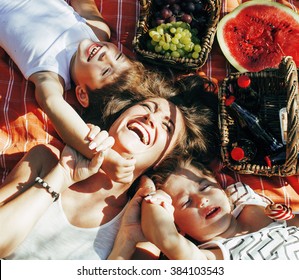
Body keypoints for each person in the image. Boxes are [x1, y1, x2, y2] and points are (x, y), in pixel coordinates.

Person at [0, 78, 215, 259]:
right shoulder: (45, 160)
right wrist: (63, 175)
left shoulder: (144, 225)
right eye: (147, 107)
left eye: (166, 126)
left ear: (163, 160)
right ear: (118, 116)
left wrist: (125, 242)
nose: (150, 118)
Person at [0, 0, 148, 183]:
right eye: (118, 56)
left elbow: (53, 104)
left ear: (82, 94)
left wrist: (103, 156)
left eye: (105, 70)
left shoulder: (50, 74)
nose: (105, 54)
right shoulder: (98, 31)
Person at [110, 156, 299, 260]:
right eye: (186, 203)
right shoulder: (211, 257)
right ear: (177, 227)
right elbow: (166, 239)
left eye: (205, 187)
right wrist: (151, 196)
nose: (201, 200)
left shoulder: (245, 198)